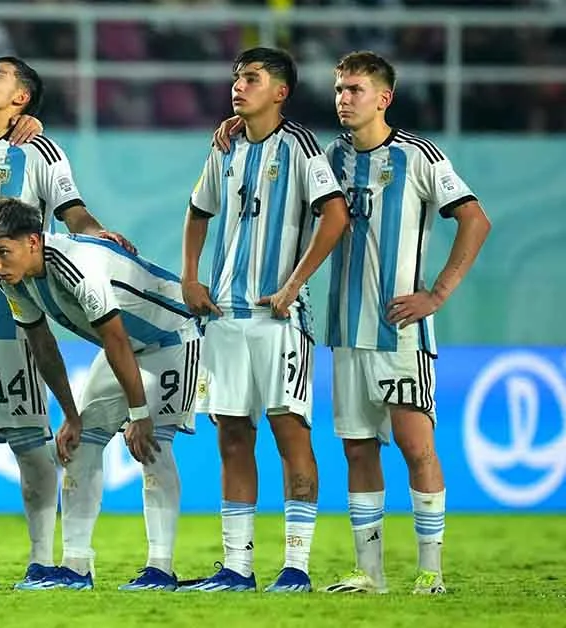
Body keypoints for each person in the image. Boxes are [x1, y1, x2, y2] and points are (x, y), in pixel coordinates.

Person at [0, 56, 132, 590]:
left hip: (15, 321)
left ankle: (41, 558)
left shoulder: (39, 149)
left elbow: (71, 211)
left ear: (22, 99)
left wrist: (101, 235)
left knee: (29, 442)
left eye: (0, 74)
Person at [316, 51, 490, 595]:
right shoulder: (328, 158)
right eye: (340, 89)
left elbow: (474, 219)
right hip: (347, 330)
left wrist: (437, 292)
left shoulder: (418, 156)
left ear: (383, 98)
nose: (344, 98)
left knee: (416, 446)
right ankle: (370, 575)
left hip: (401, 333)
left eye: (355, 90)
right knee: (358, 448)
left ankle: (430, 573)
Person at [180, 47, 349, 593]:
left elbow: (336, 214)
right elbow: (198, 210)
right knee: (231, 436)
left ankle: (296, 567)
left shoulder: (299, 145)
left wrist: (294, 284)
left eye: (251, 78)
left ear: (279, 92)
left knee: (290, 434)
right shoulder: (225, 146)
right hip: (225, 317)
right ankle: (237, 567)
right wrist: (190, 276)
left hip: (279, 320)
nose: (238, 85)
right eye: (236, 77)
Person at [0, 197, 201, 591]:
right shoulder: (13, 278)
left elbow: (113, 337)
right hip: (127, 348)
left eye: (1, 253)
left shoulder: (77, 264)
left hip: (173, 338)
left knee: (153, 443)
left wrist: (138, 414)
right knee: (79, 444)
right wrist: (72, 416)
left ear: (32, 241)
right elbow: (43, 346)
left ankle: (160, 569)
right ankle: (76, 568)